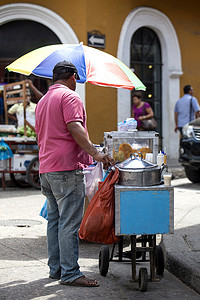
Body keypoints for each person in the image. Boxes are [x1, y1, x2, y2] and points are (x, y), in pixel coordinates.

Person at [35, 60, 114, 287]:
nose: (77, 83)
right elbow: (75, 127)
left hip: (47, 169)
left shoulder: (42, 101)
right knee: (69, 223)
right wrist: (96, 153)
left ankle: (56, 269)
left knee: (55, 221)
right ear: (72, 77)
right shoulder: (70, 97)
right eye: (77, 79)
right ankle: (70, 273)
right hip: (66, 168)